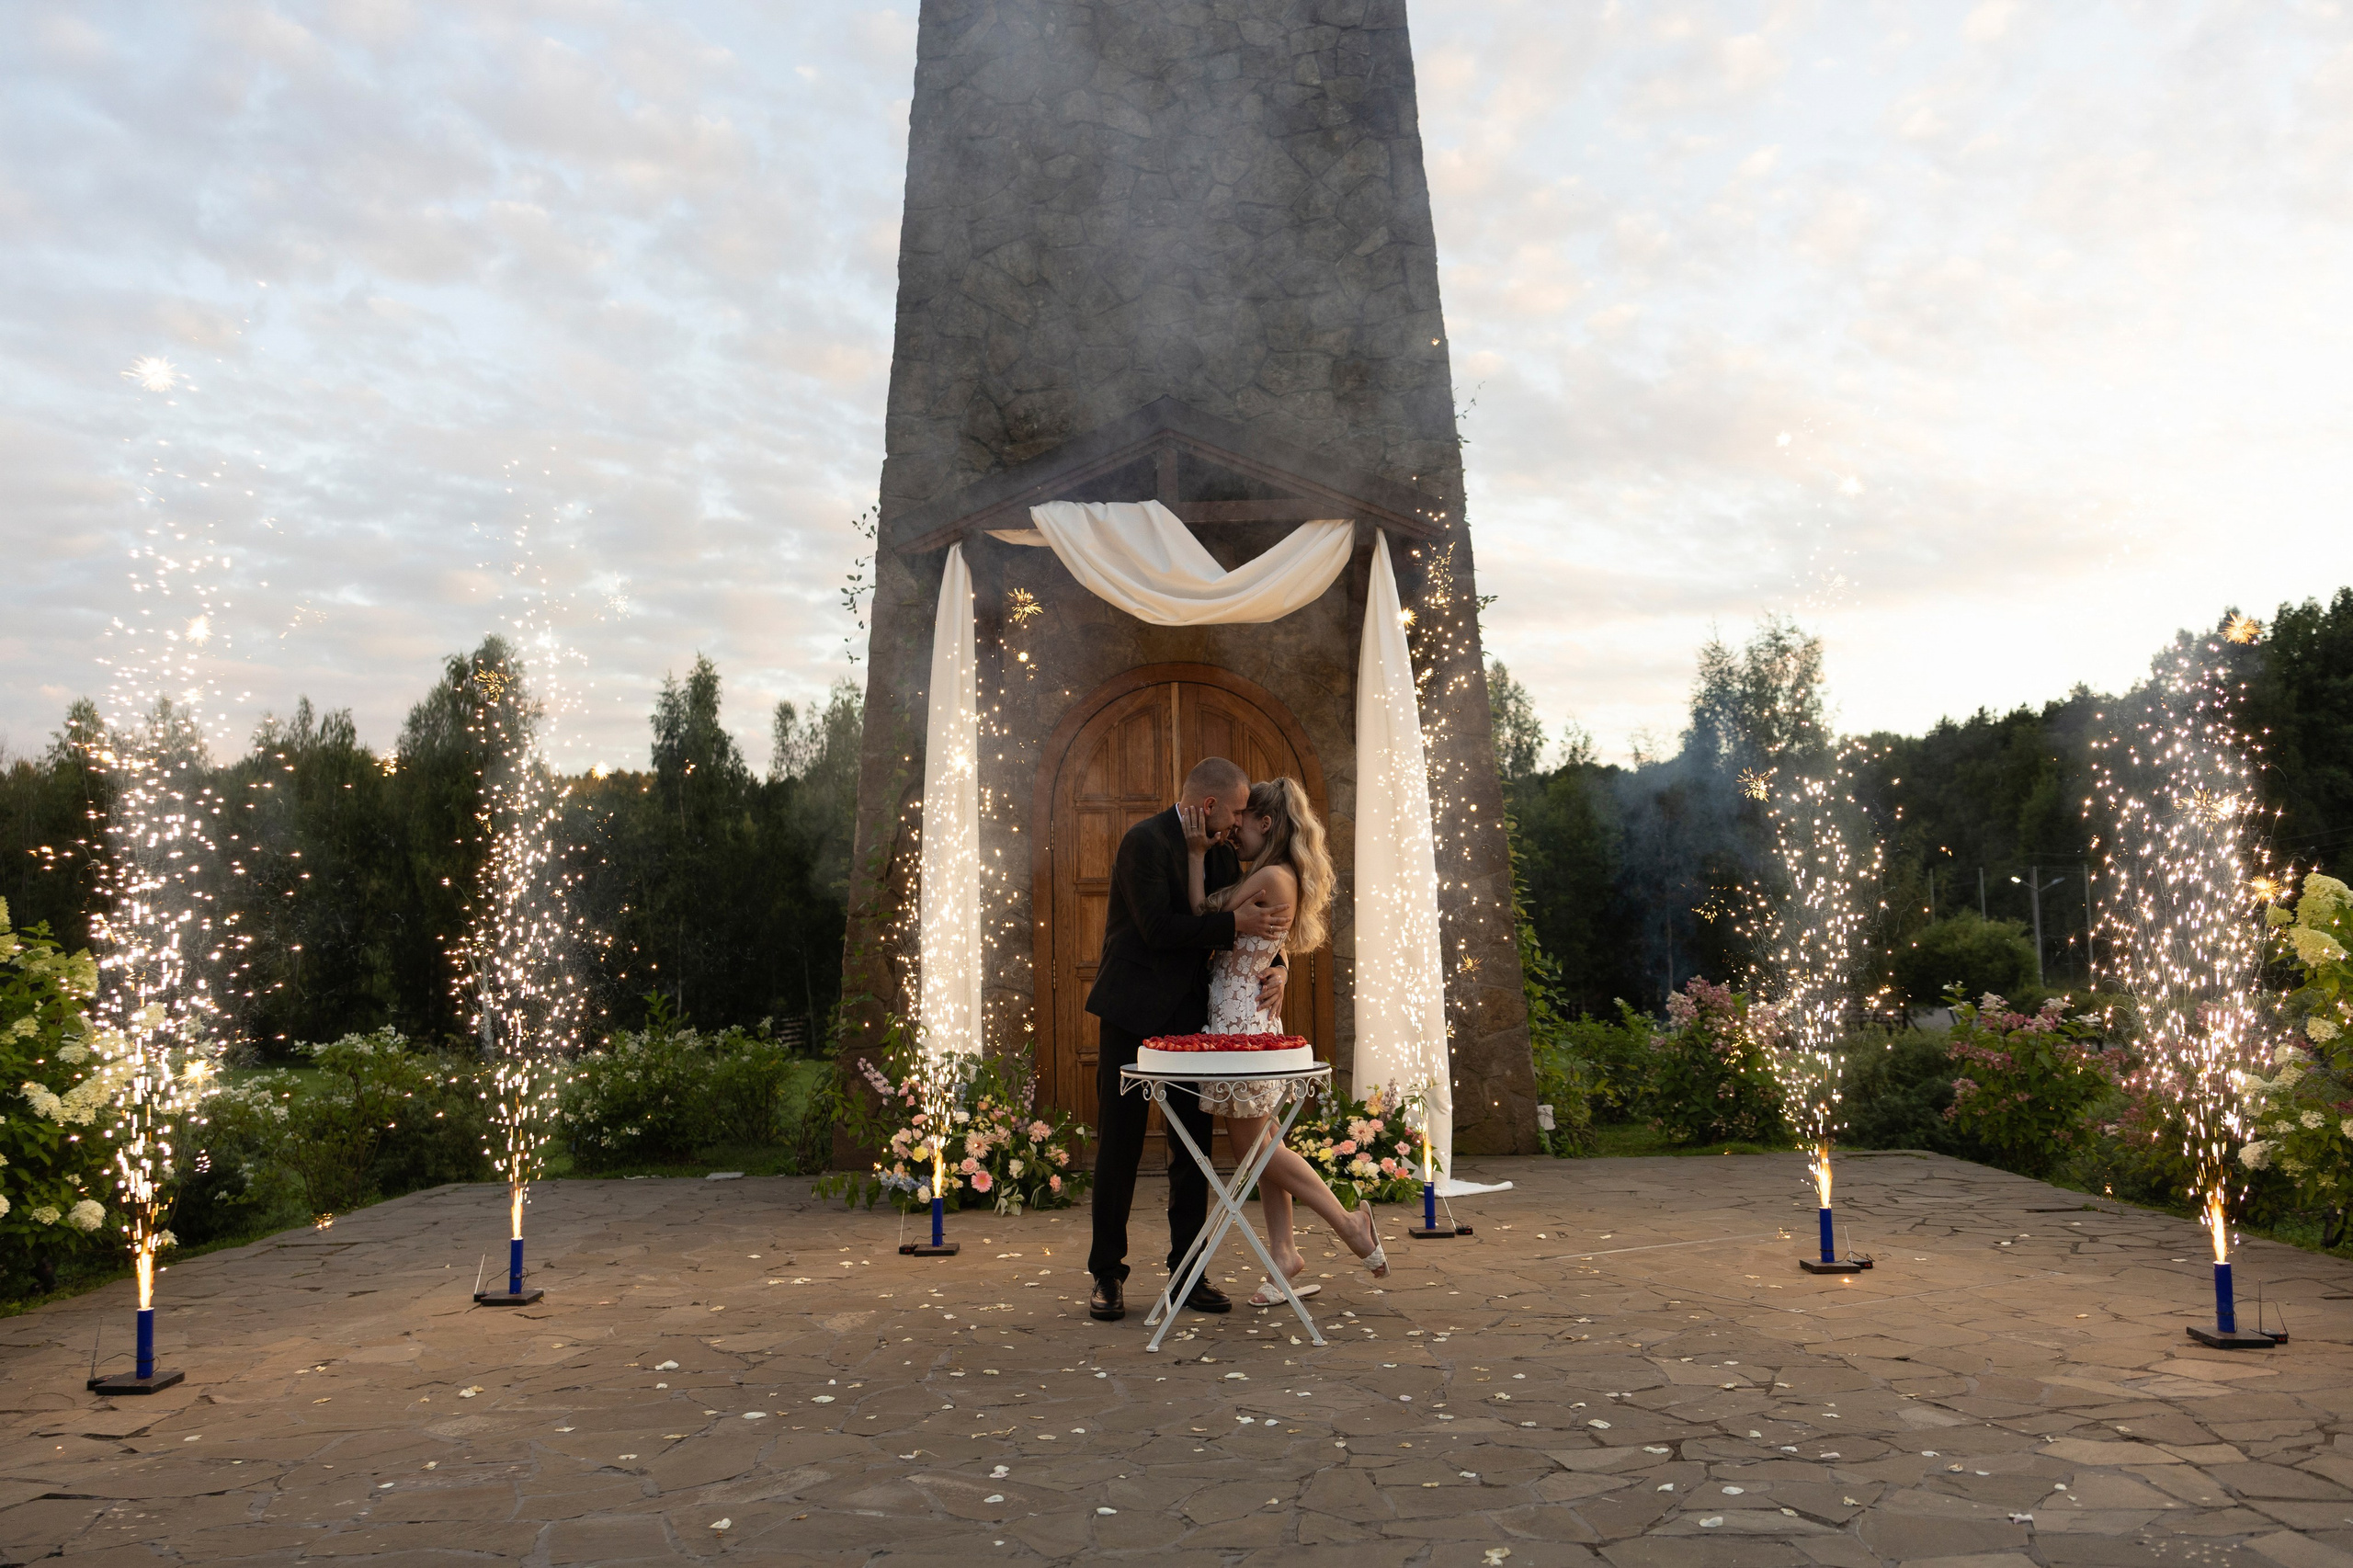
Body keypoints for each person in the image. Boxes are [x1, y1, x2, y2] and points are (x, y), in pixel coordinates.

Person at [1085, 756, 1290, 1322]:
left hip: (1193, 1018)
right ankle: (1106, 1273)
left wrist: (1281, 965)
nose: (1242, 819)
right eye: (1238, 808)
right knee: (1120, 1145)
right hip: (1131, 1012)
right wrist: (1233, 928)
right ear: (1209, 805)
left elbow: (1258, 918)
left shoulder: (1223, 852)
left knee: (1193, 1151)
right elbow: (1158, 930)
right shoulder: (1142, 842)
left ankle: (1189, 1272)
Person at [1182, 776, 1386, 1305]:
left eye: (1242, 822)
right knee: (1266, 1138)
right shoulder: (1275, 873)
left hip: (1239, 1026)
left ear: (1265, 823)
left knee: (1255, 1146)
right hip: (1246, 1018)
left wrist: (1195, 853)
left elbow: (1202, 913)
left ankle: (1348, 1225)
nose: (1232, 833)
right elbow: (1255, 939)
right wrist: (1282, 965)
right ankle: (1283, 1252)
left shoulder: (1271, 875)